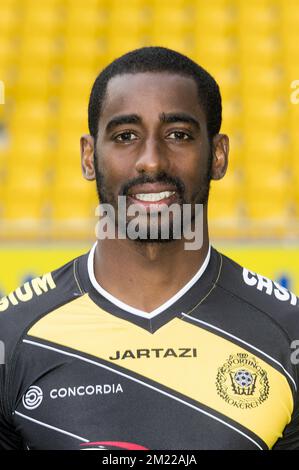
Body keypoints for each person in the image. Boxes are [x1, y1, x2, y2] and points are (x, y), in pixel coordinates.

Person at [0, 46, 298, 450]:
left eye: (178, 135)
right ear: (89, 157)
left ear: (218, 155)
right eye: (126, 136)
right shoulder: (13, 337)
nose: (151, 161)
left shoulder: (288, 334)